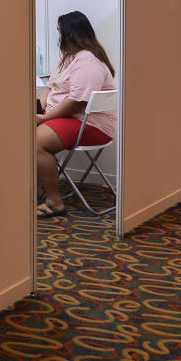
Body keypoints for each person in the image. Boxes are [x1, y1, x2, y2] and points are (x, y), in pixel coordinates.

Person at [36, 11, 117, 218]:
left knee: (36, 141)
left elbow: (76, 103)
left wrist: (44, 118)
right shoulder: (68, 59)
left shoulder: (88, 63)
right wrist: (38, 108)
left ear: (70, 34)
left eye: (59, 32)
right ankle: (35, 189)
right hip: (68, 117)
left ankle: (54, 201)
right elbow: (49, 88)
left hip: (90, 124)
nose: (58, 37)